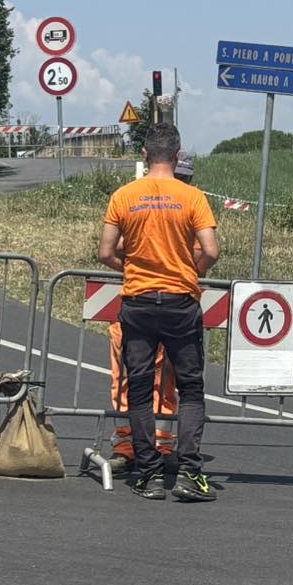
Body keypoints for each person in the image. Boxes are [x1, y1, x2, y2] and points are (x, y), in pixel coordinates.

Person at [99, 124, 220, 502]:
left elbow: (105, 252)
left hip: (137, 302)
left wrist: (132, 268)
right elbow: (211, 251)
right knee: (191, 389)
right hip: (180, 302)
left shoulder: (124, 196)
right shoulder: (193, 197)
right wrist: (188, 271)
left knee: (138, 389)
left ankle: (147, 474)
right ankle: (188, 473)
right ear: (178, 153)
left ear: (146, 155)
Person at [104, 153, 195, 473]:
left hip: (149, 304)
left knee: (159, 377)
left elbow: (108, 250)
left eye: (183, 179)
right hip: (164, 305)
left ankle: (157, 443)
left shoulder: (179, 203)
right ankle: (132, 443)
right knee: (133, 377)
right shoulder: (147, 201)